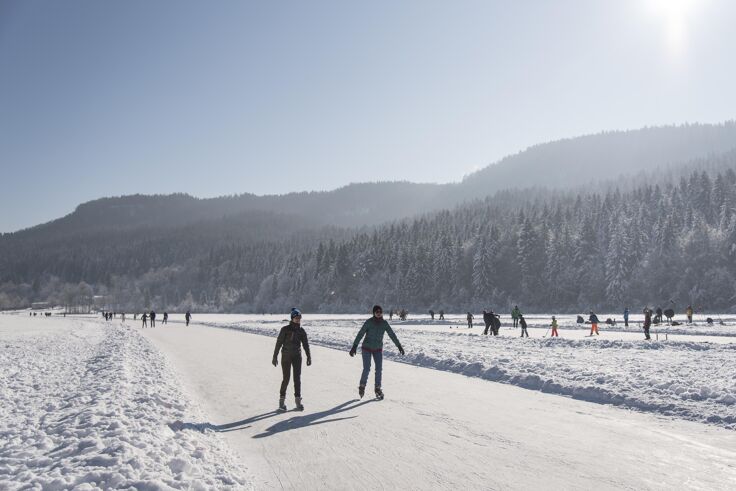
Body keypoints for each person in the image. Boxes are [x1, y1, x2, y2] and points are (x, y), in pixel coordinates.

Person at [349, 305, 404, 400]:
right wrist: (354, 346)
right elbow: (360, 333)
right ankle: (362, 386)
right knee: (367, 368)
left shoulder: (384, 323)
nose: (379, 314)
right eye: (377, 312)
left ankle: (377, 388)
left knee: (379, 369)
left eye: (380, 312)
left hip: (377, 349)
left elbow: (392, 335)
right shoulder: (369, 322)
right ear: (374, 313)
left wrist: (399, 346)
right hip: (366, 348)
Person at [273, 308, 311, 411]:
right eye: (296, 318)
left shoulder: (301, 331)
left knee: (297, 379)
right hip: (286, 356)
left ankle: (298, 402)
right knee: (286, 378)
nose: (298, 319)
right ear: (292, 318)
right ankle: (281, 402)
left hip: (297, 357)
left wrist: (308, 356)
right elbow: (279, 343)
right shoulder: (285, 329)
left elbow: (306, 345)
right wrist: (275, 356)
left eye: (299, 318)